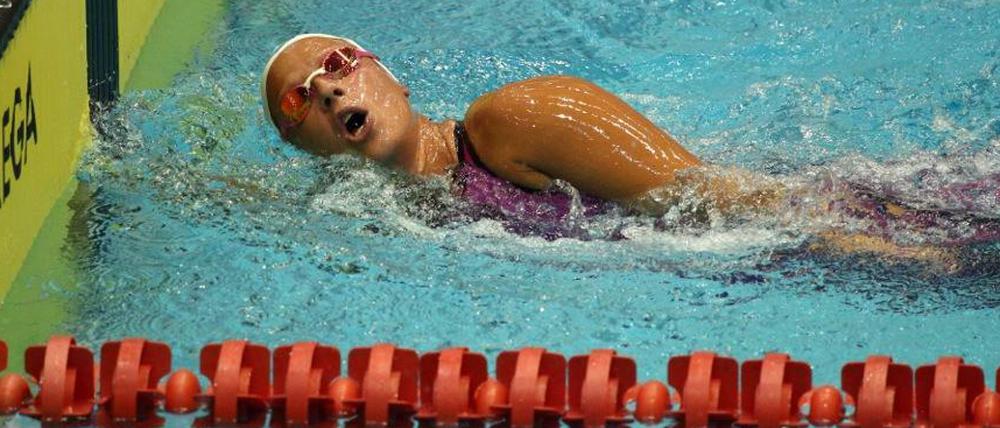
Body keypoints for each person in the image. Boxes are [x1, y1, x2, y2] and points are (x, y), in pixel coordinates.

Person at [260, 34, 996, 266]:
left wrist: (897, 251)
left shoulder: (511, 122)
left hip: (889, 222)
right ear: (306, 150)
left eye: (337, 63)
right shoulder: (384, 216)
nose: (325, 91)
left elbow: (728, 201)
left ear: (395, 76)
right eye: (297, 103)